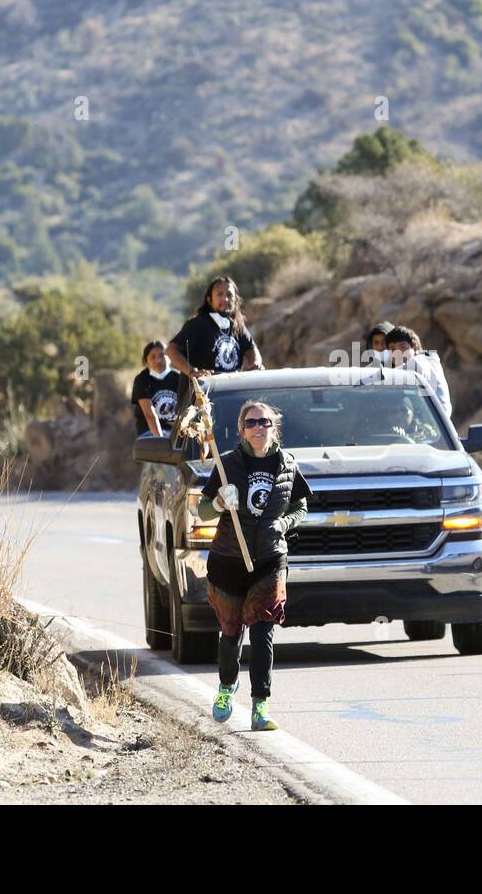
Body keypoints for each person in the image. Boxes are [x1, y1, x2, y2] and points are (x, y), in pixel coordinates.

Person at [198, 400, 311, 731]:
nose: (258, 428)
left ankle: (260, 705)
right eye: (251, 423)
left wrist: (285, 523)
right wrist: (219, 502)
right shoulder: (226, 465)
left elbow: (300, 505)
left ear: (274, 426)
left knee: (263, 631)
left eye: (264, 422)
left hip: (269, 557)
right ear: (241, 430)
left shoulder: (288, 464)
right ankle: (225, 687)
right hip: (229, 560)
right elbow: (202, 511)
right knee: (231, 633)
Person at [166, 277, 263, 386]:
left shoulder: (237, 325)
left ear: (235, 299)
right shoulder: (197, 324)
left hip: (232, 390)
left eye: (229, 295)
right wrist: (192, 372)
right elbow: (171, 350)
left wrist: (255, 364)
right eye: (220, 294)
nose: (225, 299)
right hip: (203, 394)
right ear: (209, 300)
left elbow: (251, 348)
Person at [385, 325, 452, 418]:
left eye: (403, 347)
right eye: (392, 349)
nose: (397, 353)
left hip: (436, 424)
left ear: (415, 348)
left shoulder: (424, 361)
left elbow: (416, 366)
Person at [130, 340, 178, 438]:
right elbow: (149, 415)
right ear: (146, 361)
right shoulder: (142, 380)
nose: (158, 360)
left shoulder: (178, 378)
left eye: (161, 355)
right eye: (153, 357)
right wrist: (160, 440)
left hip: (175, 433)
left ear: (169, 358)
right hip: (149, 434)